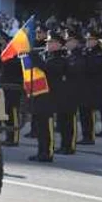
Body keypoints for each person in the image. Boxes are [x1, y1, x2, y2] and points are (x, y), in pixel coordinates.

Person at [28, 31, 64, 163]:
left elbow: (48, 69)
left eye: (51, 42)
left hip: (50, 96)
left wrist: (35, 58)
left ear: (59, 45)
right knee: (39, 125)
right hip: (40, 94)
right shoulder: (46, 56)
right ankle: (40, 151)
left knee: (47, 126)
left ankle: (48, 152)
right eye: (48, 42)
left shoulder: (60, 59)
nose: (48, 44)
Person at [57, 29, 84, 155]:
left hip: (73, 92)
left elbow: (74, 70)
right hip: (63, 92)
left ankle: (70, 145)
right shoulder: (66, 55)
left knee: (69, 121)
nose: (66, 42)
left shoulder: (79, 55)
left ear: (76, 42)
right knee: (62, 121)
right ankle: (64, 144)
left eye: (69, 40)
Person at [79, 29, 102, 145]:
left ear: (96, 41)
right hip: (84, 86)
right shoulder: (86, 51)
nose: (88, 41)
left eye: (91, 39)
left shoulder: (99, 53)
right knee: (83, 112)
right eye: (87, 39)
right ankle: (85, 135)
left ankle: (90, 136)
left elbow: (93, 68)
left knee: (89, 112)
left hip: (93, 87)